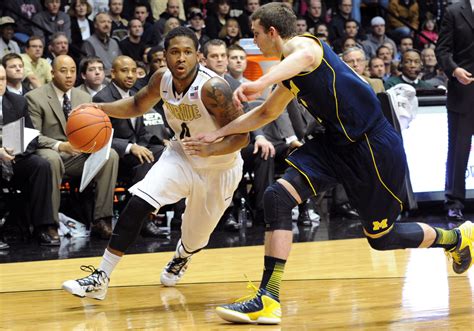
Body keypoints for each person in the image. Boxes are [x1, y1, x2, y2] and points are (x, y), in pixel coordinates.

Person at [188, 3, 474, 324]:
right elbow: (266, 113)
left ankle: (456, 238)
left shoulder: (304, 46)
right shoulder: (290, 72)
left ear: (272, 32)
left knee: (383, 239)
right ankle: (268, 298)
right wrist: (221, 133)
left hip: (371, 146)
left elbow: (304, 58)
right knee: (277, 196)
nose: (252, 41)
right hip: (335, 145)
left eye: (255, 34)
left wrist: (259, 82)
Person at [61, 26, 248, 300]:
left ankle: (182, 255)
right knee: (139, 201)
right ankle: (101, 276)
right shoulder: (162, 79)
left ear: (199, 56)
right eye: (174, 52)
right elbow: (137, 105)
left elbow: (241, 137)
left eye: (187, 52)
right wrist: (97, 109)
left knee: (196, 237)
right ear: (165, 56)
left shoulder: (213, 88)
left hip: (219, 167)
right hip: (181, 155)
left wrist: (210, 150)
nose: (181, 58)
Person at [26, 55, 119, 240]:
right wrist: (61, 145)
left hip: (77, 155)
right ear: (52, 73)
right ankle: (48, 225)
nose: (69, 75)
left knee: (111, 155)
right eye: (63, 71)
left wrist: (96, 141)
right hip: (50, 152)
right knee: (51, 160)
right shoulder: (34, 97)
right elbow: (33, 135)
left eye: (73, 71)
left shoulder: (84, 97)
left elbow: (94, 128)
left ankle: (102, 220)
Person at [435, 0, 474, 222]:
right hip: (463, 91)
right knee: (459, 151)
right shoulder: (453, 11)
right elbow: (442, 50)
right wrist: (455, 70)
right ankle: (454, 202)